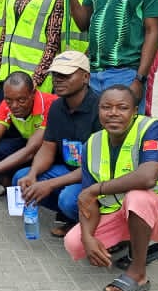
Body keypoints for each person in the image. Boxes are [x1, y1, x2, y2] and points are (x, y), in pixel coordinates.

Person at [68, 85, 158, 291]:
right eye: (106, 107)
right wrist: (87, 237)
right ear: (99, 111)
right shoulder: (93, 143)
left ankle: (138, 272)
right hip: (122, 213)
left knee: (137, 198)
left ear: (135, 111)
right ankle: (128, 245)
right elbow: (89, 199)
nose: (113, 113)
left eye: (122, 107)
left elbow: (147, 177)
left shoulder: (151, 129)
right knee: (75, 244)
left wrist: (98, 188)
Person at [14, 50, 101, 236]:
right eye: (55, 74)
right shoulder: (56, 107)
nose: (58, 79)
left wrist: (50, 184)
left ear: (86, 77)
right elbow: (47, 147)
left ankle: (95, 224)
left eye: (66, 75)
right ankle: (72, 216)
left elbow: (94, 167)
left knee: (69, 199)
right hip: (68, 170)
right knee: (21, 178)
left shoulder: (100, 108)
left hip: (94, 177)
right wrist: (33, 173)